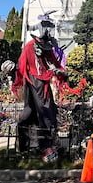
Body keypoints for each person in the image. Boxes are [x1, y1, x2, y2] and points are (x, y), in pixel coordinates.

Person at [12, 15, 66, 162]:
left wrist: (59, 71)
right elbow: (22, 67)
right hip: (34, 83)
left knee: (47, 112)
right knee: (40, 113)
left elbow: (54, 62)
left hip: (43, 83)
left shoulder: (46, 47)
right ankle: (39, 146)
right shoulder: (29, 47)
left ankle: (44, 146)